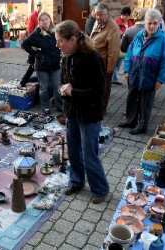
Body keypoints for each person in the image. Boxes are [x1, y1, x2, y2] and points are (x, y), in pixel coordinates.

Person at [56, 20, 109, 204]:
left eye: (60, 41)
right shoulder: (67, 58)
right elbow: (63, 82)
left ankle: (100, 189)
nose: (58, 45)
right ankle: (76, 181)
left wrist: (73, 92)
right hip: (72, 113)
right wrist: (62, 90)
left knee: (89, 154)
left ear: (72, 39)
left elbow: (99, 91)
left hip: (89, 115)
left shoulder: (93, 58)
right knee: (73, 151)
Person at [119, 9, 165, 134]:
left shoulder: (163, 40)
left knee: (145, 102)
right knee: (132, 98)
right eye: (150, 23)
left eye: (155, 23)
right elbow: (129, 55)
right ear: (145, 23)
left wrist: (161, 79)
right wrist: (127, 70)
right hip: (135, 73)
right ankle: (131, 121)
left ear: (159, 23)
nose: (152, 26)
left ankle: (142, 126)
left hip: (150, 75)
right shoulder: (139, 36)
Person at [21, 11, 63, 114]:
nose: (45, 21)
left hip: (55, 65)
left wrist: (60, 53)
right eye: (42, 20)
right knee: (43, 88)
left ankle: (60, 106)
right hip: (42, 66)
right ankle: (45, 106)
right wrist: (36, 55)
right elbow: (24, 43)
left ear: (50, 19)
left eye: (46, 19)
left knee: (57, 86)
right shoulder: (36, 34)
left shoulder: (56, 31)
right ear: (39, 22)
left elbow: (61, 42)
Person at [90, 2, 121, 115]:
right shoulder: (98, 22)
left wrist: (109, 69)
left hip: (104, 64)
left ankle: (102, 107)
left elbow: (114, 51)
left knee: (104, 87)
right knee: (95, 85)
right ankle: (95, 104)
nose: (98, 17)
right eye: (96, 15)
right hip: (95, 63)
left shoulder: (113, 28)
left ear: (107, 13)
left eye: (101, 15)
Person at [112, 7, 134, 85]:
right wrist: (119, 33)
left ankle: (128, 77)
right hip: (119, 43)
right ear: (121, 15)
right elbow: (113, 31)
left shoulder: (130, 23)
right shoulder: (116, 22)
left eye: (127, 15)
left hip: (128, 44)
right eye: (123, 15)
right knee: (117, 62)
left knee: (128, 62)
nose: (125, 17)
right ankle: (114, 79)